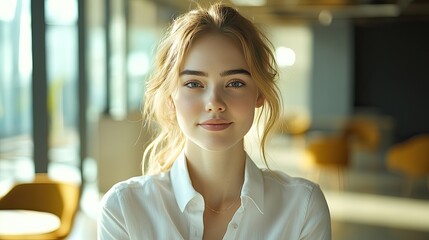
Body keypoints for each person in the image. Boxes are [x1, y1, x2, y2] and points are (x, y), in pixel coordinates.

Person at [98, 3, 331, 240]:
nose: (214, 103)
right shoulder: (124, 210)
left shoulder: (302, 208)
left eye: (235, 83)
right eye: (194, 84)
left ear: (259, 92)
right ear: (170, 97)